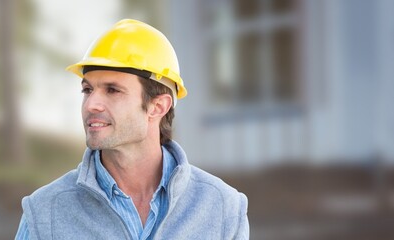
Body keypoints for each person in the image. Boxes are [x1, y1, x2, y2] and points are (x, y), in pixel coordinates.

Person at [15, 19, 249, 239]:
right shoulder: (45, 213)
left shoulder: (223, 208)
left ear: (157, 106)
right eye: (87, 90)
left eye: (112, 90)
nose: (91, 104)